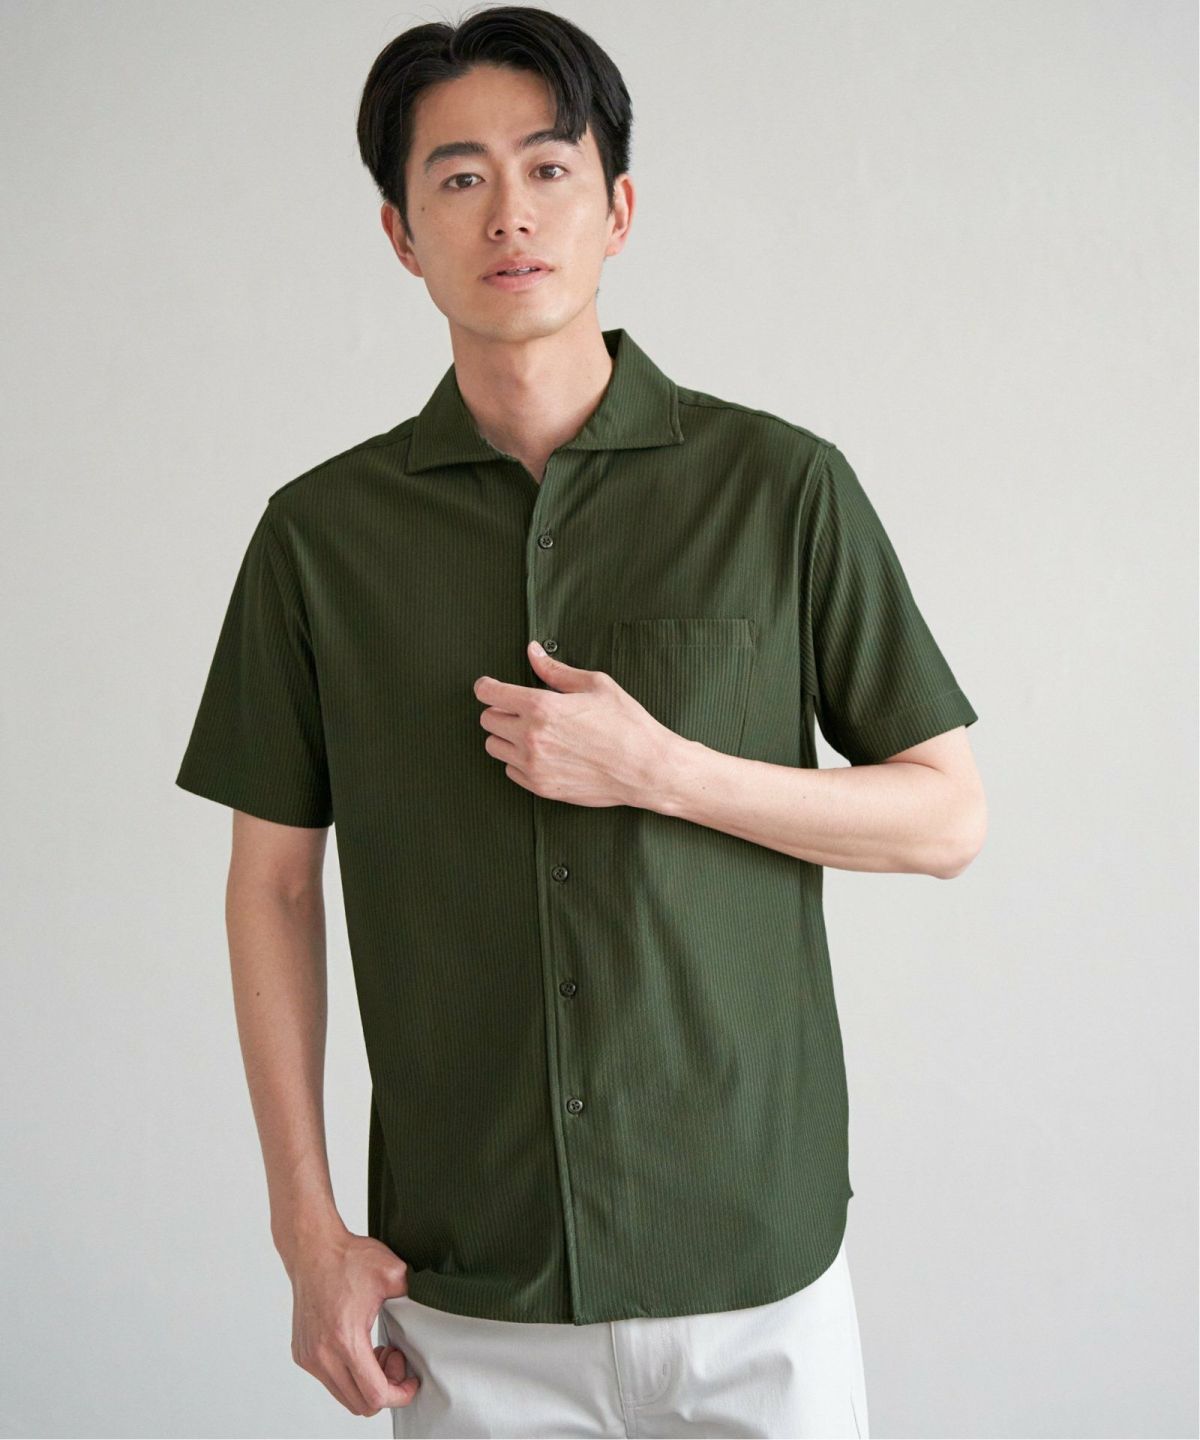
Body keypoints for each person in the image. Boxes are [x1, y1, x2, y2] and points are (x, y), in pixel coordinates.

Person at [174, 7, 986, 1437]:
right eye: (460, 177)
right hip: (467, 1287)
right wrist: (307, 1233)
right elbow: (274, 887)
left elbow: (944, 816)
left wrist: (664, 769)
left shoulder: (781, 487)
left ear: (617, 209)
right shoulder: (318, 538)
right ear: (399, 232)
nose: (510, 213)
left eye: (549, 168)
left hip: (752, 1270)